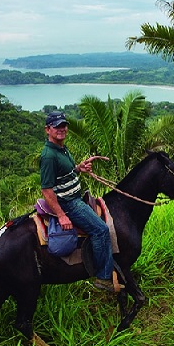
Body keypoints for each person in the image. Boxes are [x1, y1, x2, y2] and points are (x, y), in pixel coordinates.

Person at [40, 111, 118, 292]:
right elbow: (46, 189)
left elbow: (64, 174)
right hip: (70, 203)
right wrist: (61, 215)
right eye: (56, 126)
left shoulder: (61, 148)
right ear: (47, 129)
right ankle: (103, 278)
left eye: (63, 125)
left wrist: (78, 168)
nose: (62, 129)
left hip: (75, 196)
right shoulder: (49, 156)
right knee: (101, 230)